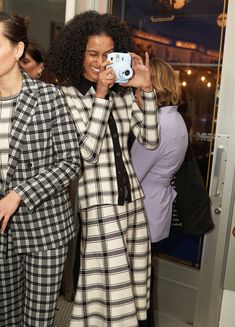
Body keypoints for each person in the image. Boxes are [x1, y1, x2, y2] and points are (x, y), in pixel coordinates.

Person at [46, 10, 159, 327]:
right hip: (97, 205)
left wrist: (146, 90)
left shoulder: (123, 96)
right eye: (92, 53)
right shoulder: (63, 97)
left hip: (133, 203)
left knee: (132, 288)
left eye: (108, 54)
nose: (100, 62)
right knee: (102, 295)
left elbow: (150, 140)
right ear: (77, 54)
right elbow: (84, 153)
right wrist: (100, 96)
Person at [0, 12, 81, 327]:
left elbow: (70, 161)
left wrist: (20, 193)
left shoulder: (47, 97)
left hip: (45, 230)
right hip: (3, 233)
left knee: (37, 321)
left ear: (18, 50)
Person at [131, 58, 188, 244]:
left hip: (143, 208)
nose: (134, 93)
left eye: (137, 86)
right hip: (157, 205)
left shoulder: (157, 125)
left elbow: (132, 176)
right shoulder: (176, 117)